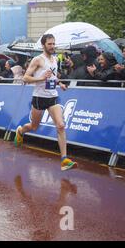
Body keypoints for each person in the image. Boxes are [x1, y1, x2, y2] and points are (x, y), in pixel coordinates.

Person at [14, 34, 77, 171]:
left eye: (54, 44)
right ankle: (20, 130)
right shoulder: (38, 60)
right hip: (39, 97)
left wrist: (60, 84)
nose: (52, 46)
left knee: (60, 125)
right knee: (34, 127)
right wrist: (41, 79)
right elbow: (25, 78)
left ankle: (64, 159)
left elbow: (53, 76)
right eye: (49, 44)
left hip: (53, 96)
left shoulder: (55, 59)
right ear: (43, 45)